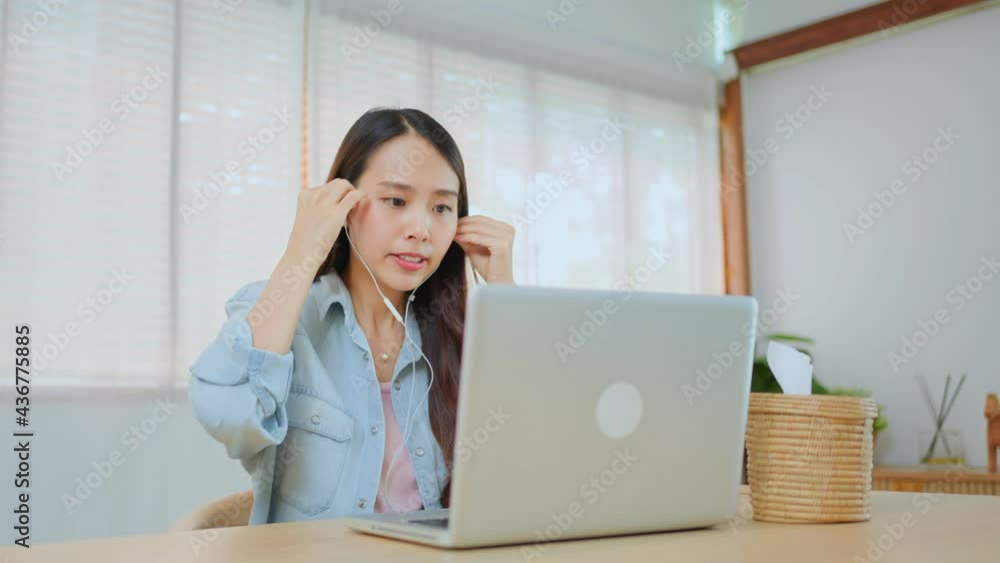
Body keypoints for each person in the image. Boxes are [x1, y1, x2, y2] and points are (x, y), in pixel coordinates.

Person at [189, 107, 515, 525]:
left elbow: (530, 459)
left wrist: (504, 294)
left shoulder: (463, 333)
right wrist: (301, 253)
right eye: (395, 200)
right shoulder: (285, 313)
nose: (421, 229)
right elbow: (229, 417)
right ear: (343, 204)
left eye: (441, 208)